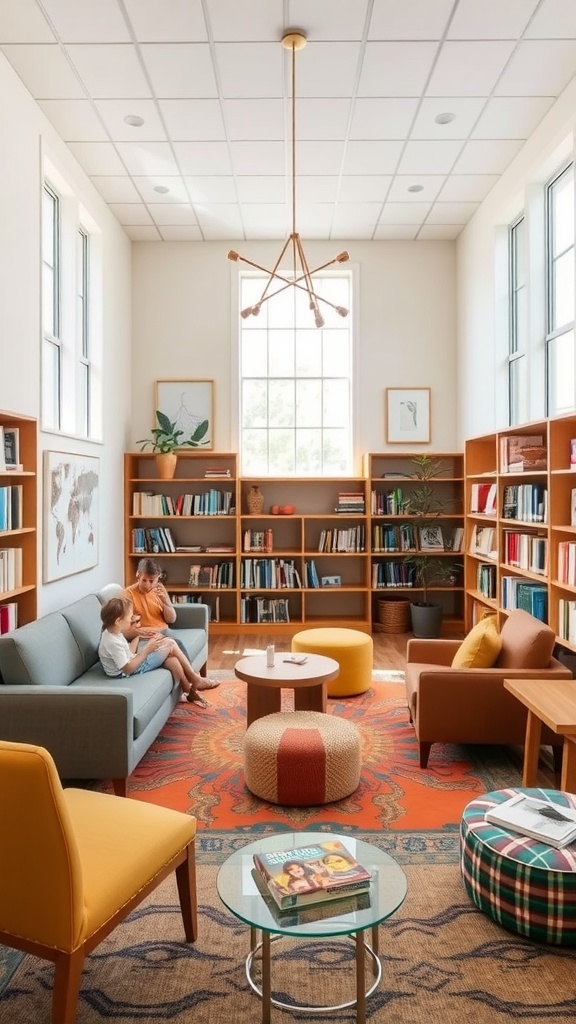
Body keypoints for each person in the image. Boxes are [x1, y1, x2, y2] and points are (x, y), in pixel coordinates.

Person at [123, 557, 219, 694]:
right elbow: (124, 629)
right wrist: (141, 631)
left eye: (152, 581)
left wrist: (166, 602)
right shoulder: (127, 595)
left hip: (164, 630)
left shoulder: (159, 590)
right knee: (175, 643)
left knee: (174, 648)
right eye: (144, 580)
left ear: (158, 579)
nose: (148, 585)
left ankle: (192, 685)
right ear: (138, 575)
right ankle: (195, 679)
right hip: (146, 637)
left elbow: (172, 618)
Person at [98, 595, 210, 708]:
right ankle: (195, 679)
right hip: (126, 673)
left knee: (173, 660)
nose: (131, 619)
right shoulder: (112, 642)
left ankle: (189, 691)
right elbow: (128, 669)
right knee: (170, 643)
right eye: (129, 617)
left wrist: (139, 636)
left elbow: (128, 653)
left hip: (131, 663)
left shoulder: (113, 632)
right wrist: (147, 650)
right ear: (118, 621)